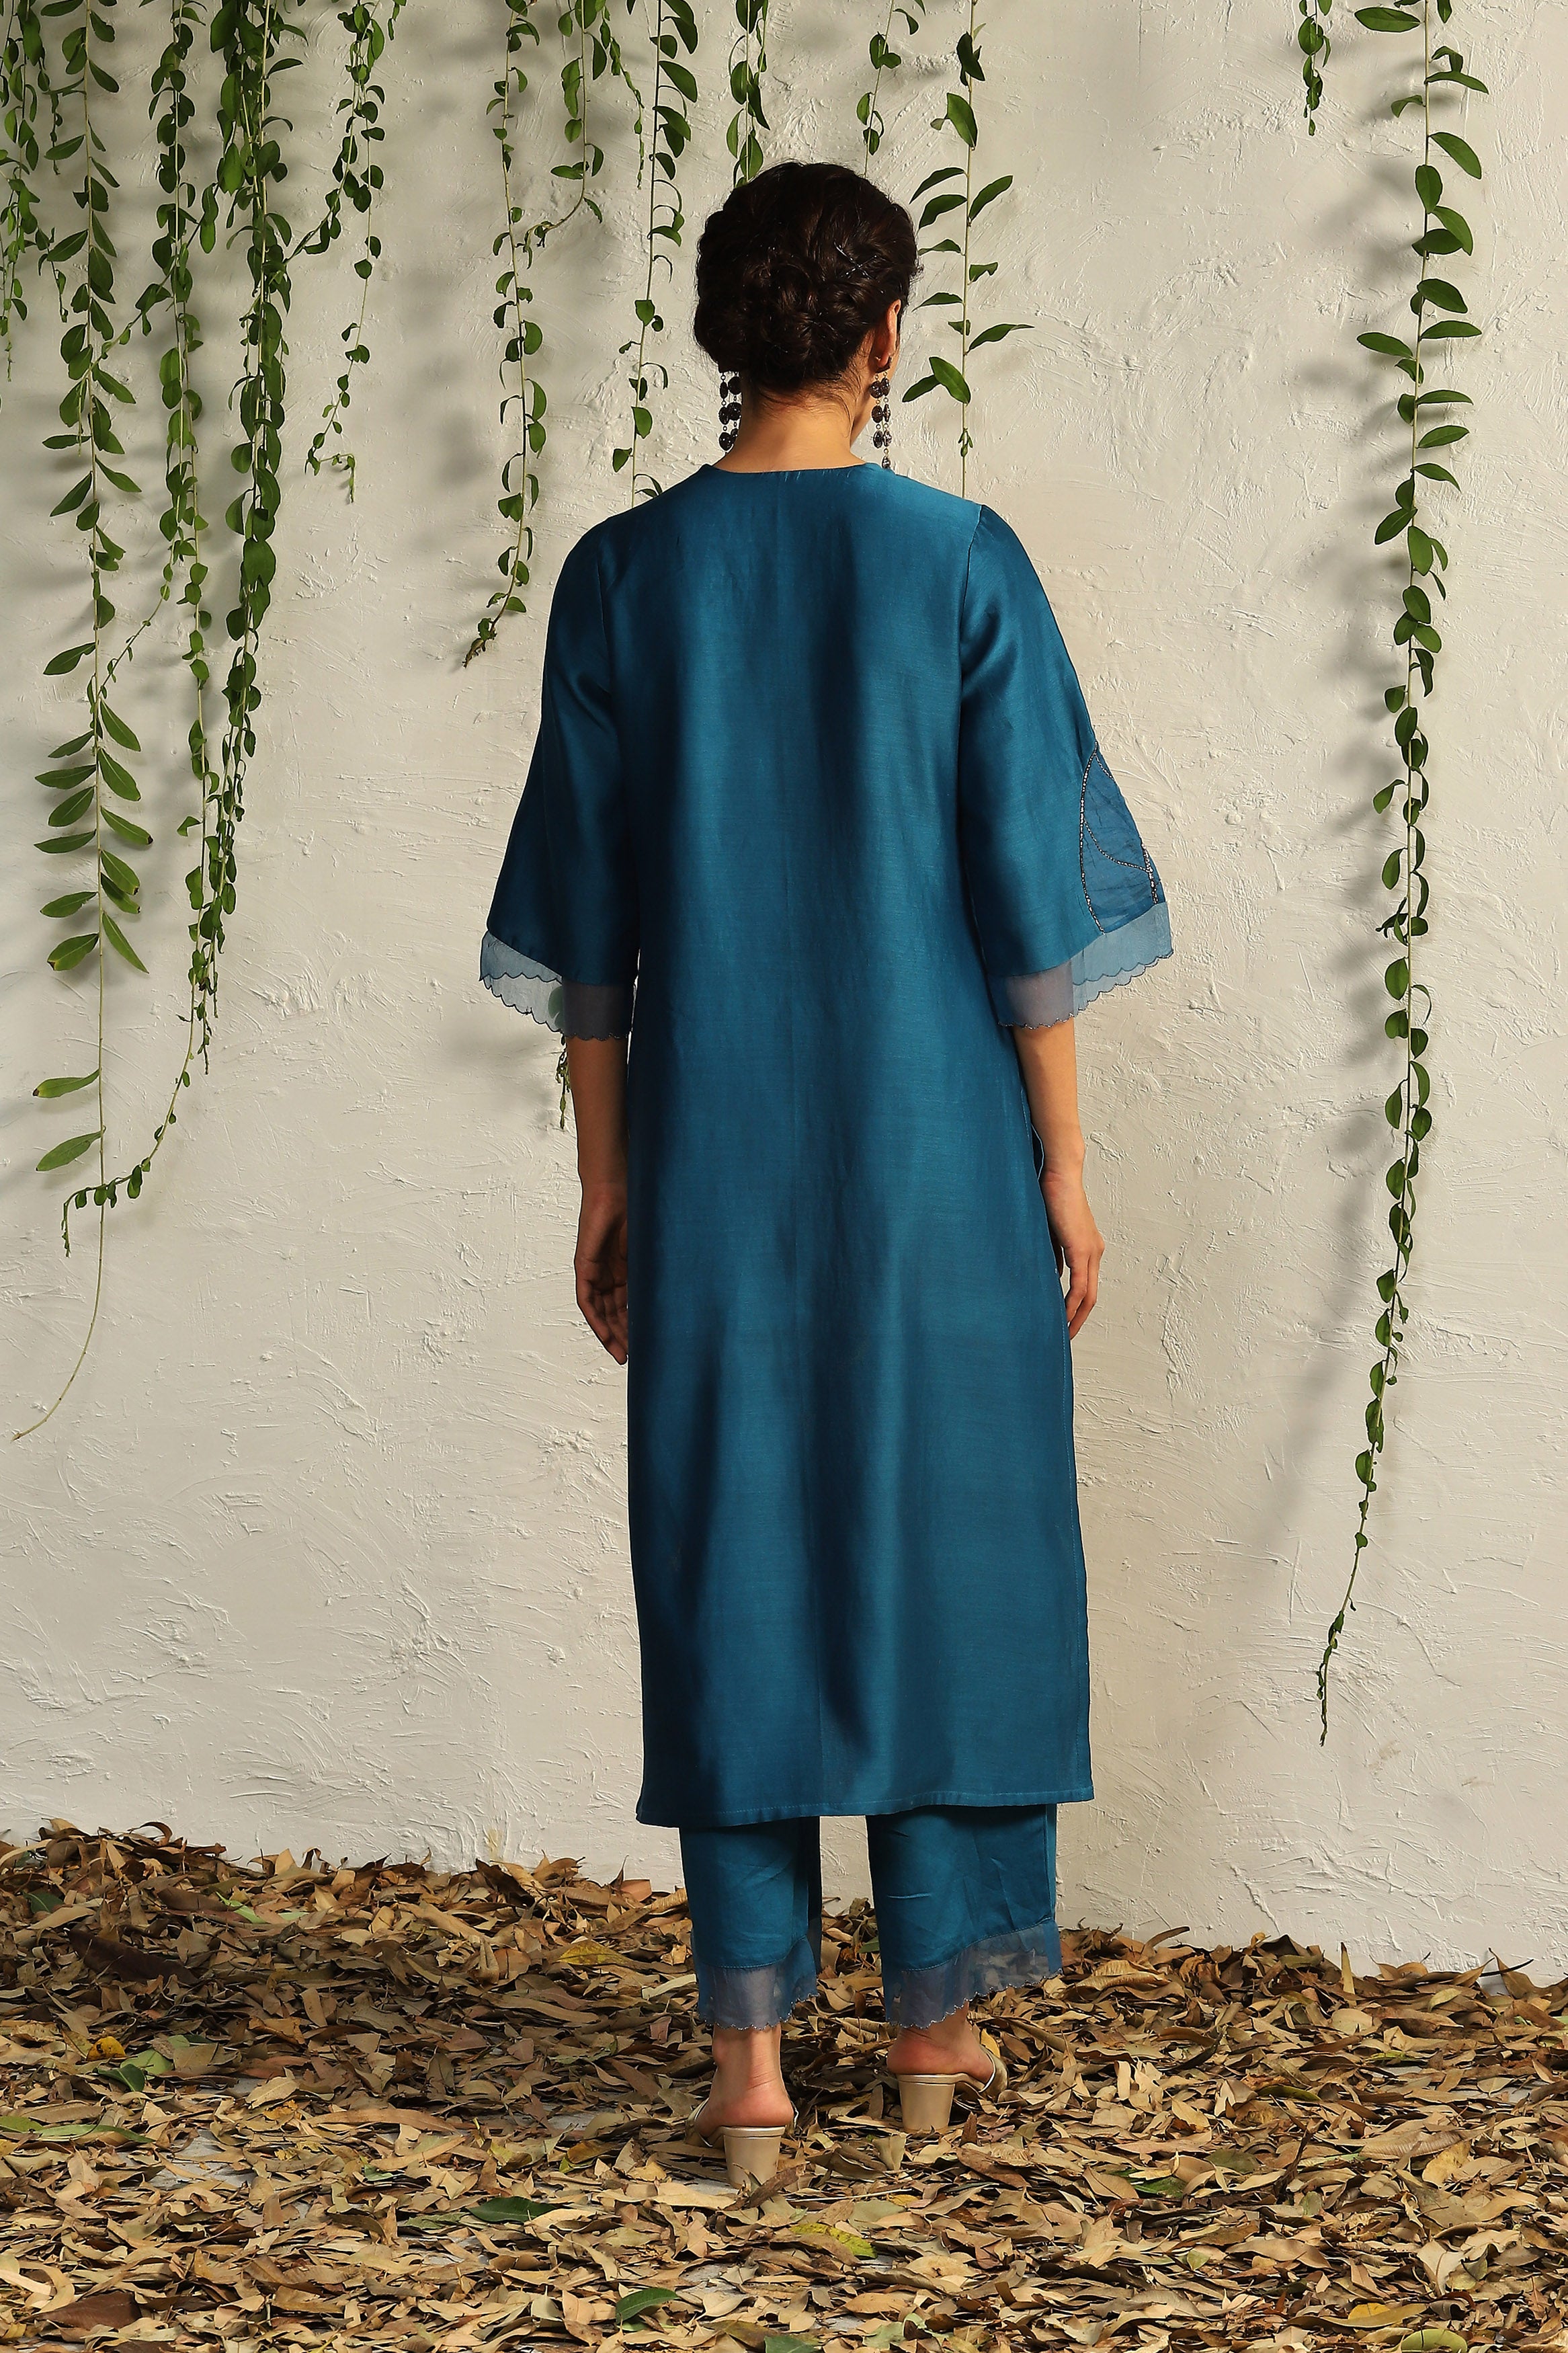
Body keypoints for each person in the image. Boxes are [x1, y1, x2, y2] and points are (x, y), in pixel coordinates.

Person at [481, 159, 1171, 2171]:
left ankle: (751, 2072)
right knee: (949, 1547)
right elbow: (1033, 903)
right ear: (884, 335)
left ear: (725, 336)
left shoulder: (624, 578)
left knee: (733, 1549)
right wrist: (1062, 1165)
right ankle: (933, 2032)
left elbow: (586, 930)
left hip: (717, 1153)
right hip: (937, 1151)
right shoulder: (961, 564)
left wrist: (605, 1178)